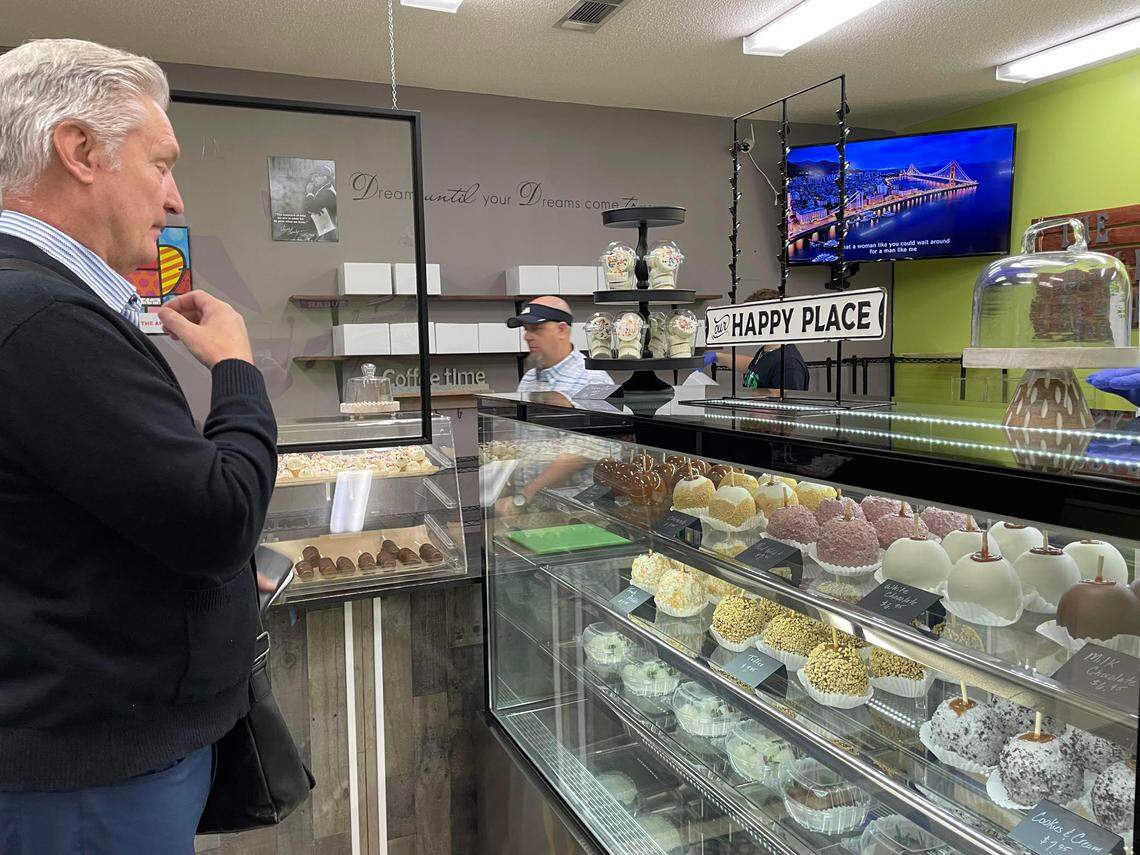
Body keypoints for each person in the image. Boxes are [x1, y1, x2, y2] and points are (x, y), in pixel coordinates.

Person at [0, 39, 279, 853]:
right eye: (161, 165)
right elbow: (220, 517)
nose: (174, 200)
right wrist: (236, 366)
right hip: (87, 778)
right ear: (80, 150)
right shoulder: (43, 317)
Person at [703, 288, 810, 393]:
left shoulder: (789, 365)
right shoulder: (767, 350)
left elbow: (784, 407)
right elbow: (756, 367)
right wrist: (717, 356)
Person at [510, 295, 613, 395]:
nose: (526, 337)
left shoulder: (593, 382)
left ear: (561, 330)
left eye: (536, 329)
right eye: (526, 329)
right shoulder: (529, 379)